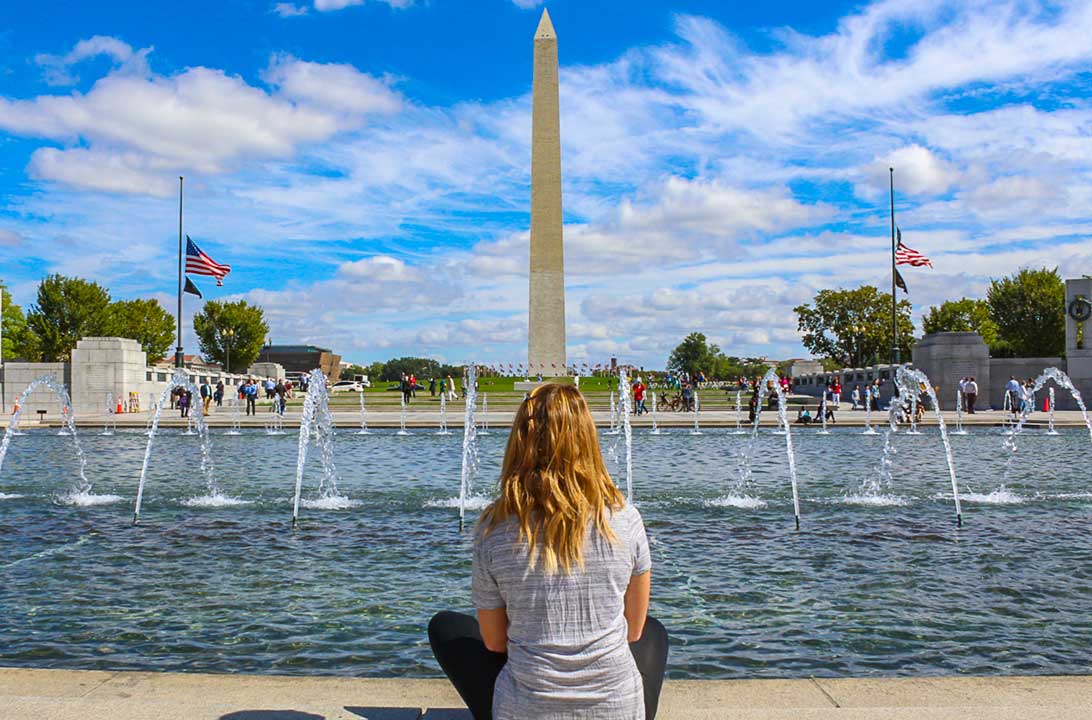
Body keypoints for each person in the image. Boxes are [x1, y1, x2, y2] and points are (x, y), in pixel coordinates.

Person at [429, 384, 668, 720]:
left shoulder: (494, 528)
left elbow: (495, 642)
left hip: (525, 708)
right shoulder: (625, 518)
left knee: (445, 626)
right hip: (615, 707)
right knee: (653, 631)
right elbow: (635, 630)